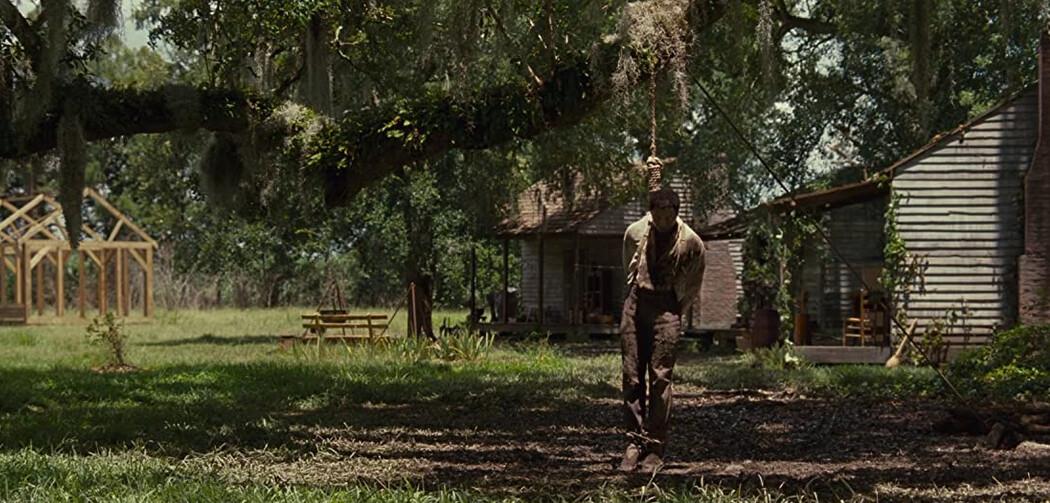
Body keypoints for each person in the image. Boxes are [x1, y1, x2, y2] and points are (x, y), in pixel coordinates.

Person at [618, 186, 705, 472]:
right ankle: (633, 443)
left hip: (667, 307)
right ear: (651, 214)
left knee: (660, 378)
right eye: (658, 215)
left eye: (669, 216)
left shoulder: (692, 243)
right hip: (636, 303)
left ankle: (655, 447)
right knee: (632, 376)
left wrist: (674, 309)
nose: (663, 221)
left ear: (676, 214)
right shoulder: (635, 232)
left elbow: (692, 284)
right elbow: (627, 265)